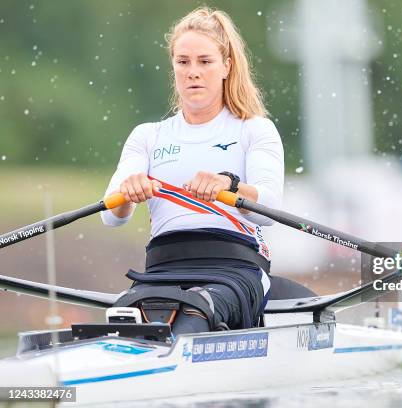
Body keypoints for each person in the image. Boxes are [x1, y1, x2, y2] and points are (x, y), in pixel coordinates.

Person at [101, 6, 283, 334]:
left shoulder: (254, 130)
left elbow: (267, 209)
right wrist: (128, 194)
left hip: (234, 268)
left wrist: (229, 185)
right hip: (161, 272)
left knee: (192, 315)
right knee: (124, 322)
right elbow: (112, 216)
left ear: (226, 66)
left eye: (205, 61)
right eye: (183, 62)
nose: (193, 72)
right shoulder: (148, 136)